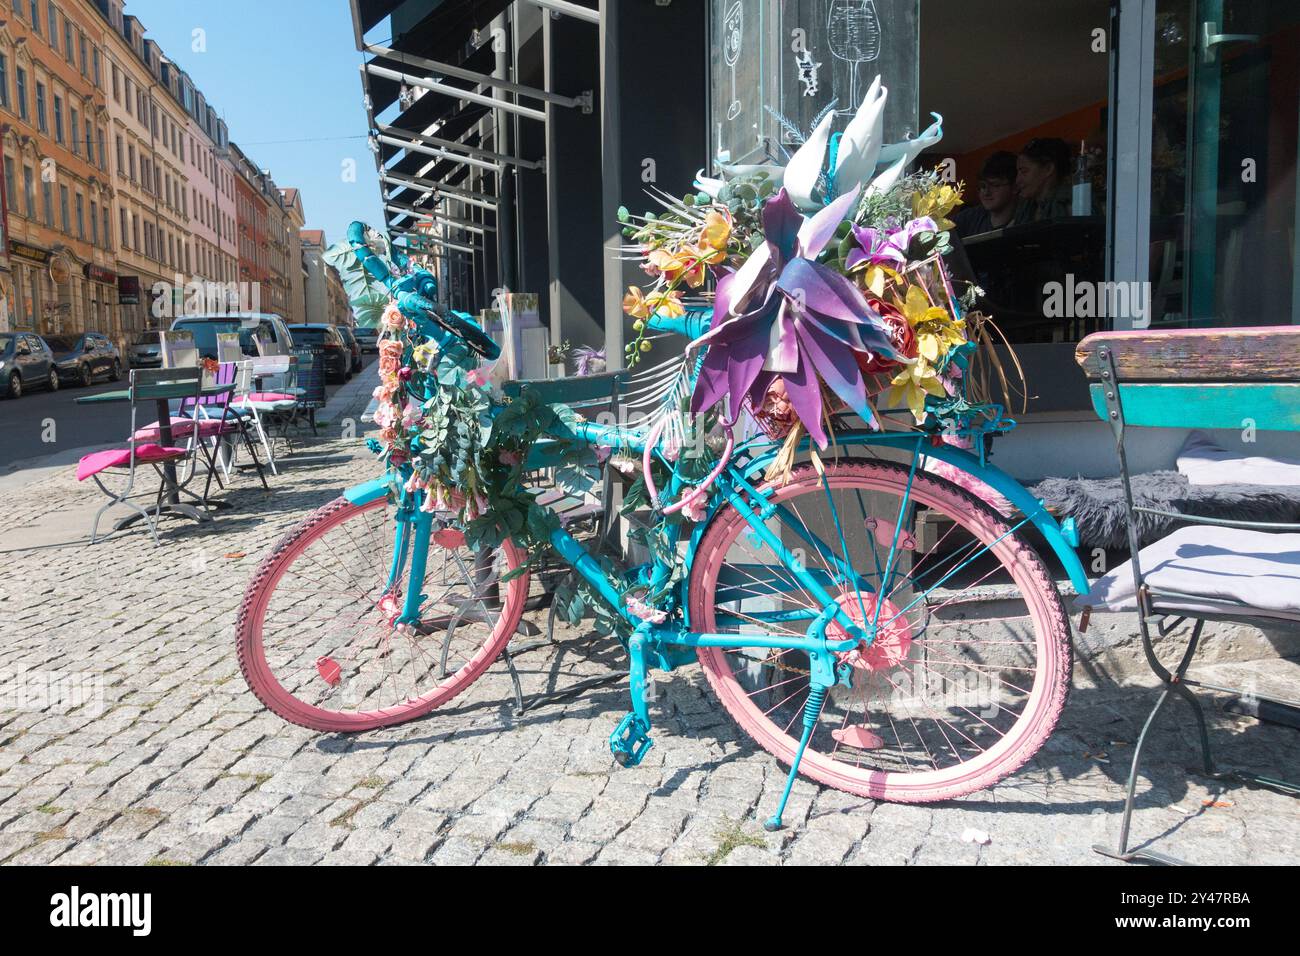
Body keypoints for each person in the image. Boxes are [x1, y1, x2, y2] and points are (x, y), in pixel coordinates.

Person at [954, 151, 1019, 237]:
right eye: (983, 186)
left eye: (995, 185)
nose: (986, 192)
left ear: (1015, 187)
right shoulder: (969, 217)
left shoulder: (1025, 217)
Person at [1014, 137, 1073, 222]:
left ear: (1048, 169)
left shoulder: (1074, 205)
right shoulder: (1026, 208)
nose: (1017, 180)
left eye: (1024, 171)